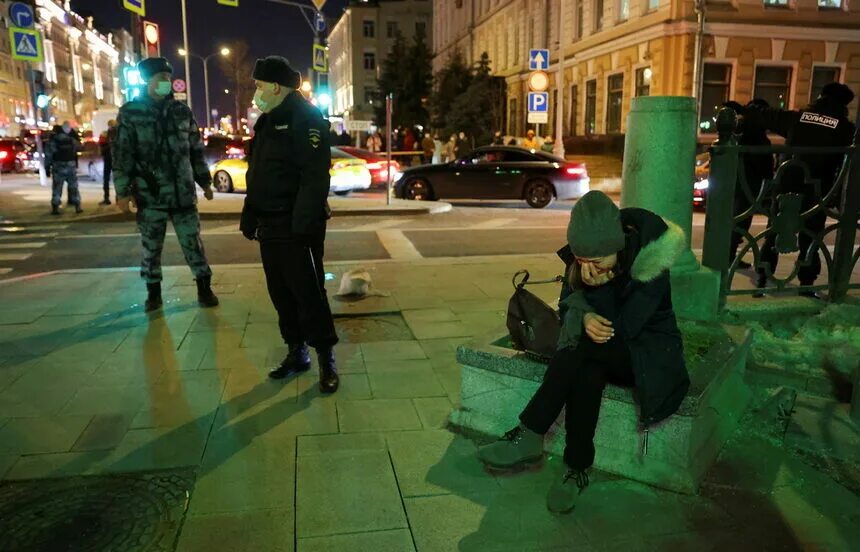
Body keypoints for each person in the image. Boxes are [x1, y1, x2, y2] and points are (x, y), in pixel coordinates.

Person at [477, 191, 690, 514]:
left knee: (584, 347)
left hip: (648, 357)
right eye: (582, 262)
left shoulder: (650, 263)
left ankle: (531, 432)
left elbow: (625, 327)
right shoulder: (586, 259)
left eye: (598, 262)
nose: (589, 268)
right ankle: (575, 469)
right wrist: (585, 313)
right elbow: (569, 306)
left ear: (616, 249)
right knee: (586, 366)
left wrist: (592, 297)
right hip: (600, 352)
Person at [239, 55, 339, 394]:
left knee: (309, 294)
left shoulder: (306, 118)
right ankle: (296, 352)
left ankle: (326, 358)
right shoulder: (268, 120)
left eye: (260, 85)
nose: (257, 92)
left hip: (295, 225)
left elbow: (314, 177)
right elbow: (258, 173)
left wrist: (303, 225)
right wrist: (250, 211)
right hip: (270, 224)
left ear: (277, 87)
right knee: (280, 293)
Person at [112, 57, 219, 313]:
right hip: (150, 194)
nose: (166, 83)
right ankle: (153, 293)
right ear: (148, 81)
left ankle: (204, 287)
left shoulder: (182, 111)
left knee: (193, 242)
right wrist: (123, 191)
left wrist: (204, 181)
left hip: (183, 194)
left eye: (168, 78)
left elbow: (195, 151)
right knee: (151, 246)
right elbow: (123, 154)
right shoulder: (131, 112)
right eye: (161, 78)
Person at [744, 82, 856, 297]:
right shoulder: (844, 128)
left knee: (775, 232)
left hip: (787, 184)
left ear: (821, 96)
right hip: (818, 190)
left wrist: (746, 111)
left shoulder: (798, 117)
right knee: (811, 237)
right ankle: (806, 284)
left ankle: (763, 278)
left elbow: (764, 116)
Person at [721, 100, 774, 270]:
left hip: (737, 182)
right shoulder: (756, 135)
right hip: (748, 184)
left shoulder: (739, 132)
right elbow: (764, 163)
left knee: (735, 220)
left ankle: (727, 256)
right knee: (740, 222)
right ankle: (728, 257)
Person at [46, 121, 83, 215]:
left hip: (58, 165)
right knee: (74, 186)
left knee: (57, 187)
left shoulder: (54, 139)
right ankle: (77, 205)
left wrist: (47, 167)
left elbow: (49, 153)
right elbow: (79, 147)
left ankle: (55, 206)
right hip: (70, 165)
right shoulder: (71, 139)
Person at [99, 119, 118, 205]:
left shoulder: (104, 134)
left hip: (108, 159)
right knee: (118, 179)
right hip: (116, 159)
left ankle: (106, 198)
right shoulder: (119, 134)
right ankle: (119, 198)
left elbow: (101, 148)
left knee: (106, 179)